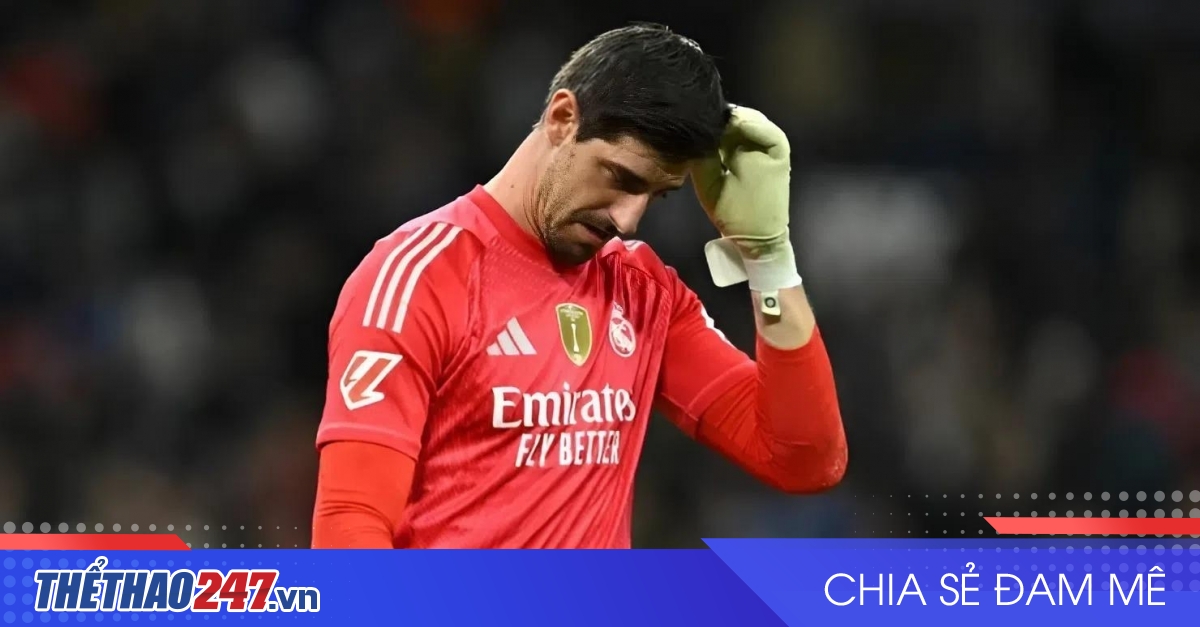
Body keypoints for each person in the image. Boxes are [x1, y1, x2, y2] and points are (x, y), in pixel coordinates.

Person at [310, 23, 847, 548]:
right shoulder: (418, 278)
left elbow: (804, 461)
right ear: (563, 118)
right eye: (621, 178)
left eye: (656, 195)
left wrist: (768, 258)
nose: (629, 220)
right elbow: (350, 525)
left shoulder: (641, 292)